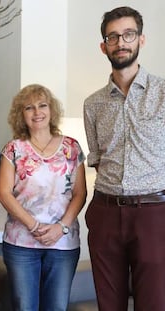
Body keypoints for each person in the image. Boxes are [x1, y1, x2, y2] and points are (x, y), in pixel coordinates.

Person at [83, 6, 165, 311]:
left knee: (155, 303)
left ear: (141, 39)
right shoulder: (93, 104)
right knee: (108, 305)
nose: (121, 42)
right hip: (105, 212)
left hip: (154, 213)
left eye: (128, 34)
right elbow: (98, 158)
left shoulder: (163, 92)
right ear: (104, 46)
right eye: (113, 36)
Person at [0, 84, 87, 311]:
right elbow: (3, 193)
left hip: (63, 242)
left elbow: (80, 193)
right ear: (21, 114)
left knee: (56, 307)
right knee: (25, 307)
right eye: (29, 107)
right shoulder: (13, 149)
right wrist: (34, 225)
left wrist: (61, 227)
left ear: (52, 110)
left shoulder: (72, 148)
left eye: (42, 105)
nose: (37, 112)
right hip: (21, 243)